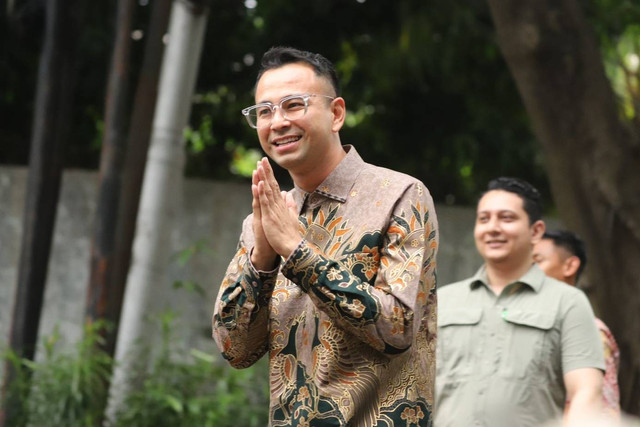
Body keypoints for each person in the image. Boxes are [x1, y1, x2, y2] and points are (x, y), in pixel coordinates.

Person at [212, 47, 438, 426]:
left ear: (336, 113)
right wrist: (262, 260)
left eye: (293, 105)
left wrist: (295, 251)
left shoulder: (400, 194)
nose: (277, 122)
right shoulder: (264, 218)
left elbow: (397, 328)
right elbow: (235, 349)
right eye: (264, 112)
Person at [435, 177, 604, 427]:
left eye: (506, 218)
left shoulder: (568, 302)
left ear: (535, 231)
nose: (492, 228)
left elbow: (586, 392)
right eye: (484, 219)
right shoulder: (443, 300)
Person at [533, 230, 621, 419]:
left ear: (569, 266)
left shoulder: (590, 331)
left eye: (537, 262)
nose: (526, 271)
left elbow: (604, 412)